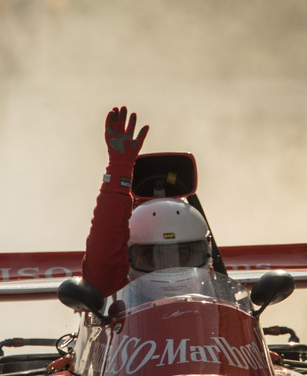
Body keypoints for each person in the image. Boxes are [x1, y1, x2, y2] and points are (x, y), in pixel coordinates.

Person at [81, 106, 212, 295]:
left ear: (204, 254)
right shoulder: (117, 295)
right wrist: (119, 168)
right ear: (129, 258)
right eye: (152, 257)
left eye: (182, 256)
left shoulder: (215, 298)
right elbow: (103, 257)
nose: (169, 270)